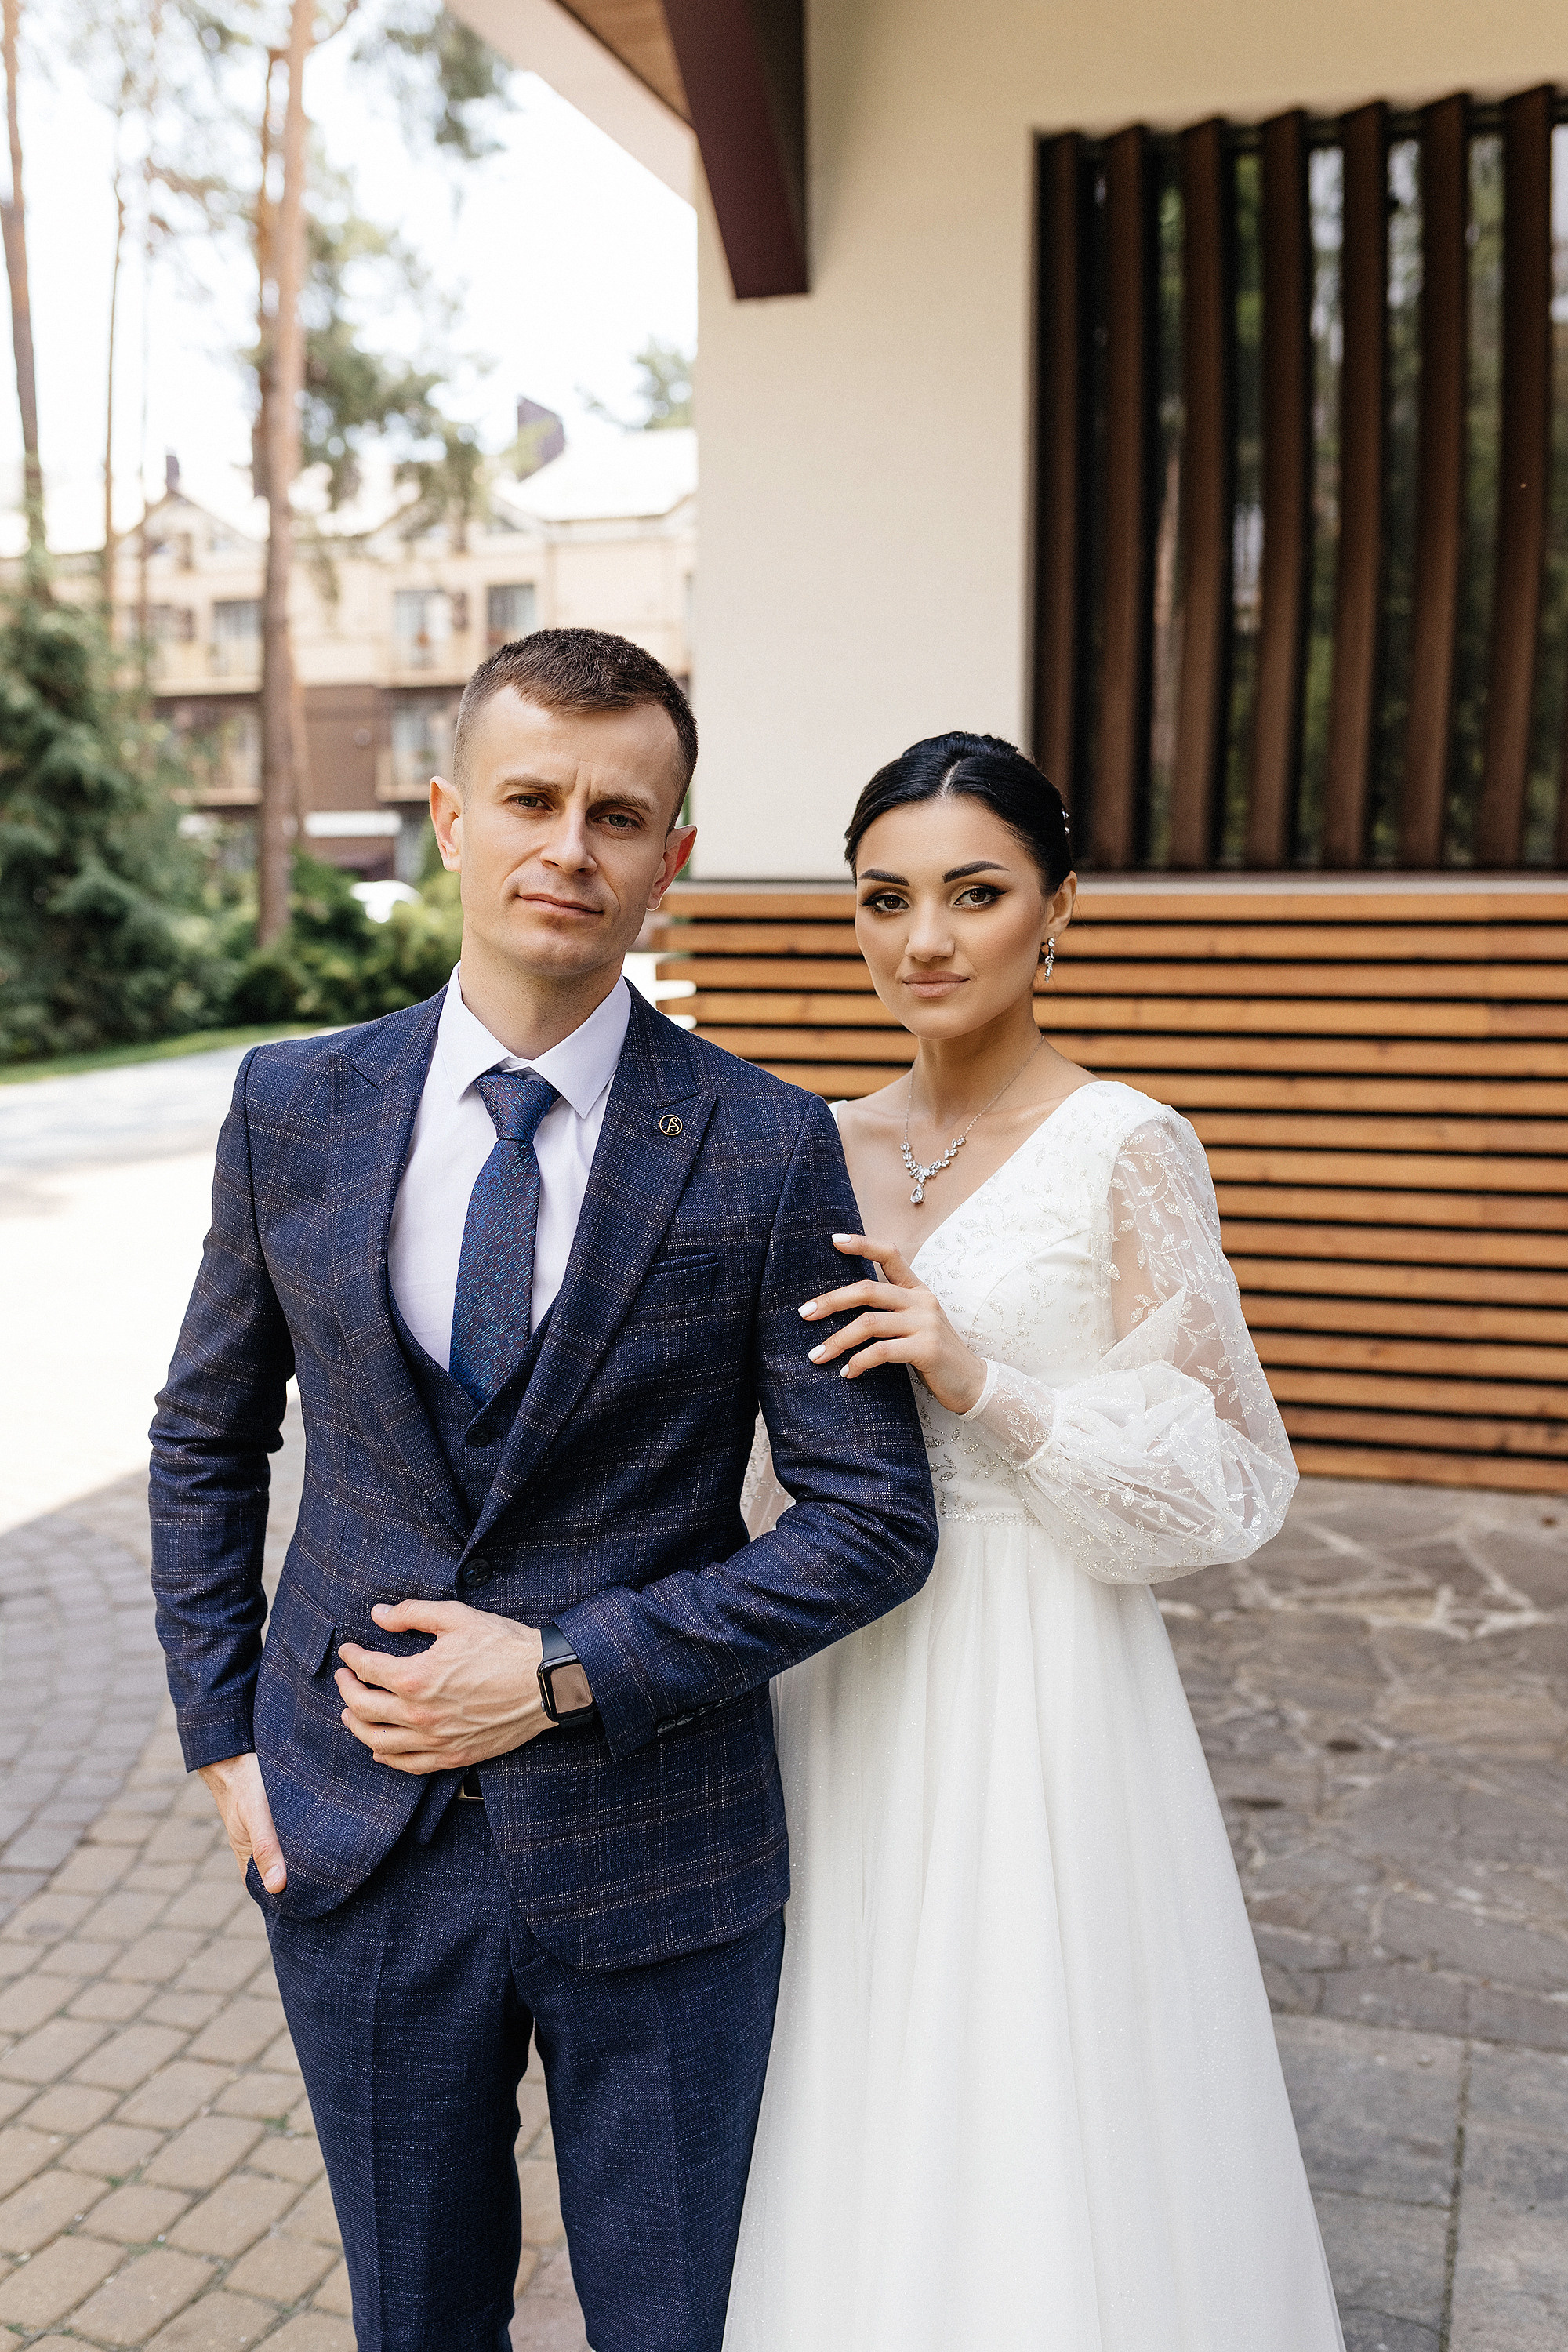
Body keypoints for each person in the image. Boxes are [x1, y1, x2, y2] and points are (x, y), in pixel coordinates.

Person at [147, 629, 938, 2352]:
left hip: (660, 1846)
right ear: (450, 818)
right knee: (416, 2317)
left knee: (674, 2319)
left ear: (673, 857)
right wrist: (223, 1735)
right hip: (357, 1830)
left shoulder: (765, 1143)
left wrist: (568, 1671)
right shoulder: (293, 1105)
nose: (568, 847)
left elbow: (873, 1521)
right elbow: (208, 1433)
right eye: (529, 800)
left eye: (617, 815)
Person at [725, 732, 1345, 2352]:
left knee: (1028, 2051)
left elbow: (1224, 1482)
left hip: (1039, 1667)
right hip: (840, 1663)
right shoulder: (811, 1144)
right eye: (884, 900)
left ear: (1058, 909)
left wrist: (981, 1379)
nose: (922, 940)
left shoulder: (1123, 1143)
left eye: (974, 894)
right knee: (846, 2035)